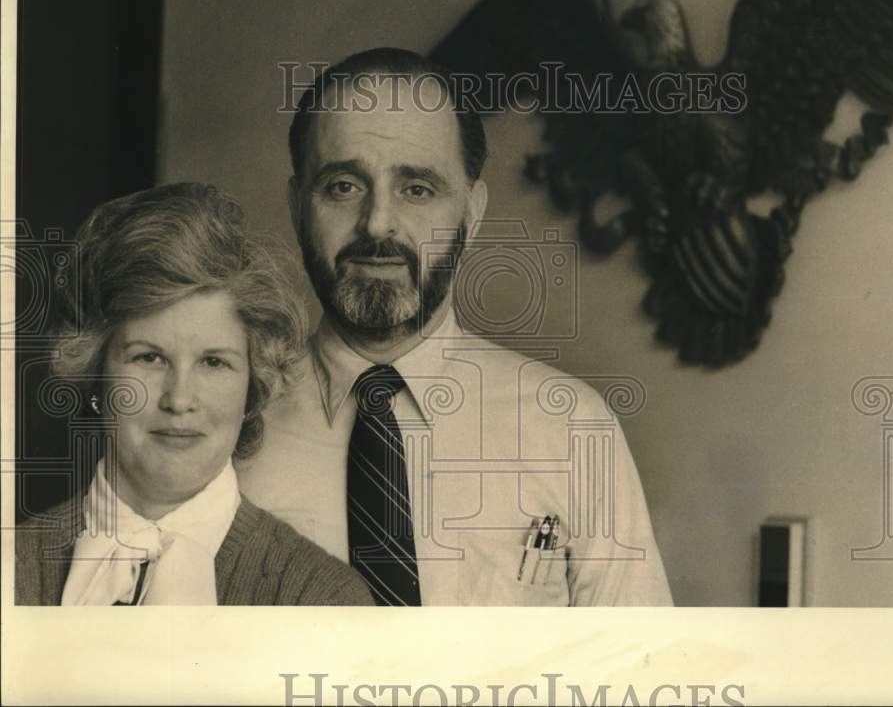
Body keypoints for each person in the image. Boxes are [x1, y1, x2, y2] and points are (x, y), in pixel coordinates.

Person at [237, 47, 673, 606]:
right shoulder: (229, 423)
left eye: (416, 189)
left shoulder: (572, 429)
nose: (377, 223)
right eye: (343, 186)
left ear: (472, 212)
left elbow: (633, 675)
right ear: (299, 205)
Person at [15, 183, 373, 606]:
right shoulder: (13, 566)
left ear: (251, 390)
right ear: (97, 373)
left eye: (213, 362)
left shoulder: (319, 596)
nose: (179, 399)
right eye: (149, 358)